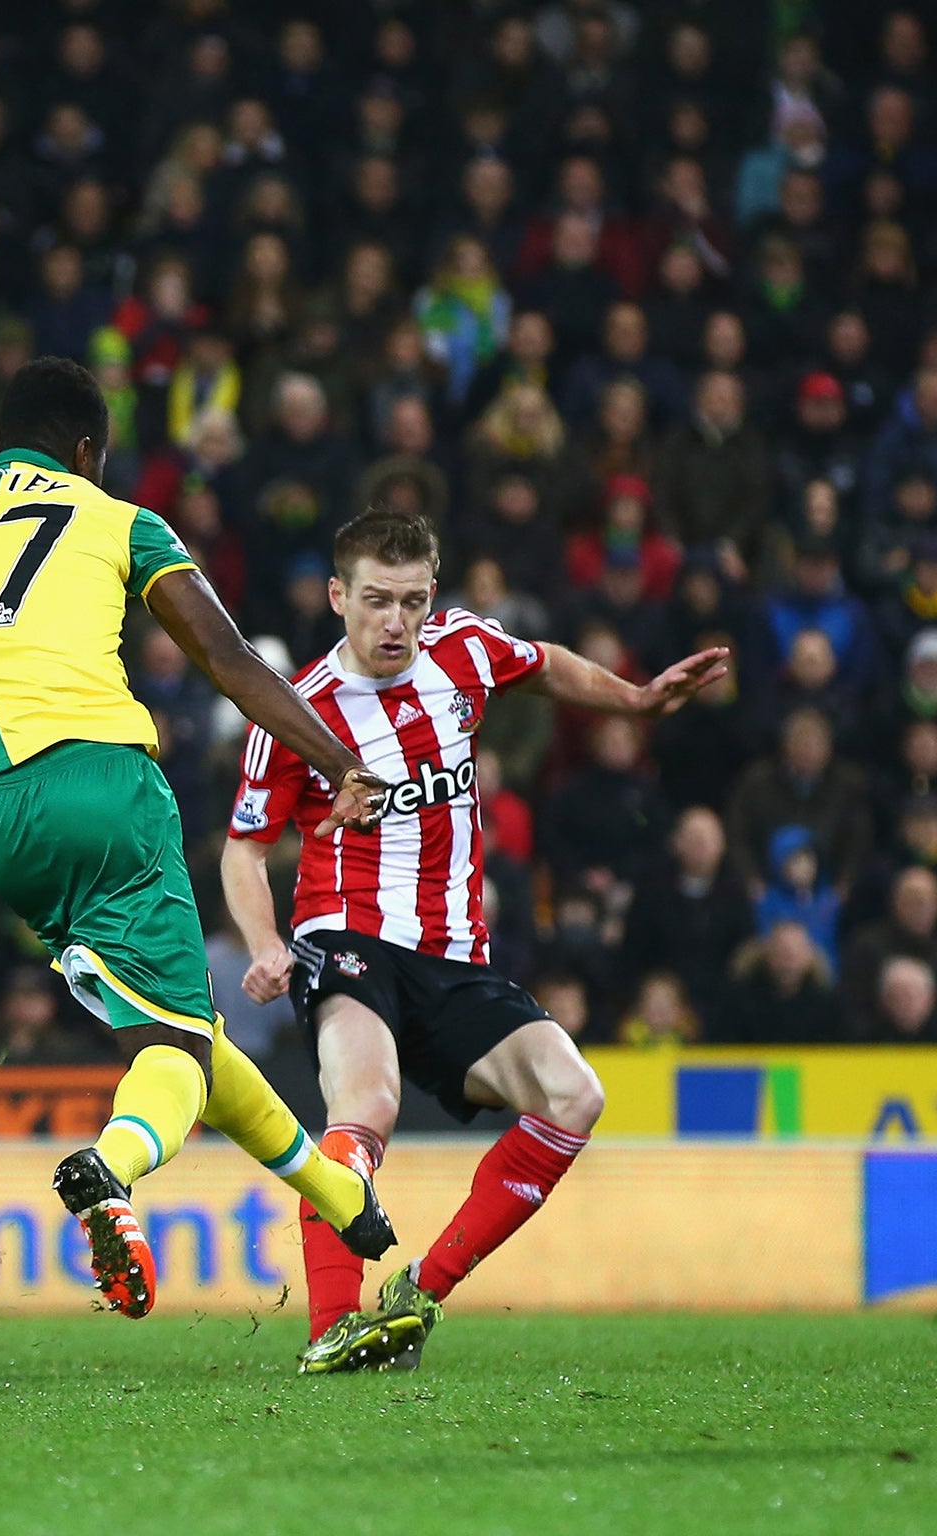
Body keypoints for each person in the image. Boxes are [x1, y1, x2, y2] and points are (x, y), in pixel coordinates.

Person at [0, 357, 397, 1321]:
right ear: (89, 452)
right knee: (174, 1045)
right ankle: (112, 1170)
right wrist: (335, 762)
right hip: (100, 780)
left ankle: (344, 1204)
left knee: (184, 1037)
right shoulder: (120, 519)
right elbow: (227, 657)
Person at [219, 507, 728, 1374]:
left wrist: (637, 701)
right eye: (377, 600)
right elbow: (244, 847)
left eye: (414, 601)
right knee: (366, 1107)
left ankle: (418, 1292)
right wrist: (265, 942)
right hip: (347, 938)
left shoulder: (464, 649)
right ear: (339, 596)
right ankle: (329, 1333)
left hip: (455, 954)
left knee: (573, 1096)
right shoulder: (299, 711)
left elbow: (547, 665)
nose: (397, 622)